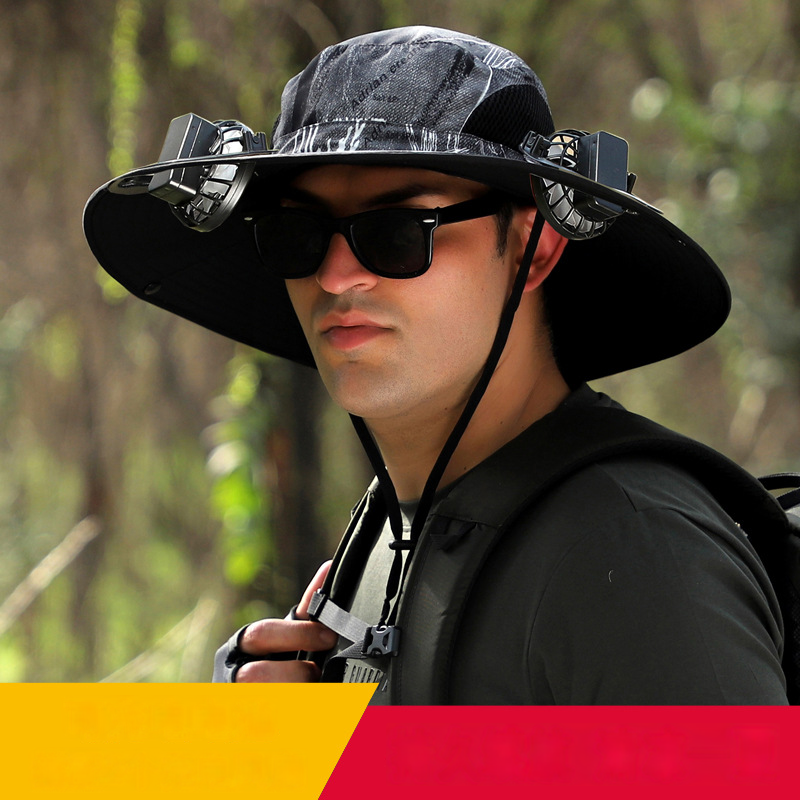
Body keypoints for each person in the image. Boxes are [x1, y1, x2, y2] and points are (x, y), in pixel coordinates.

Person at [83, 26, 787, 703]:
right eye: (296, 234)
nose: (336, 276)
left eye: (396, 231)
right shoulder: (386, 530)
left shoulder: (632, 548)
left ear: (534, 248)